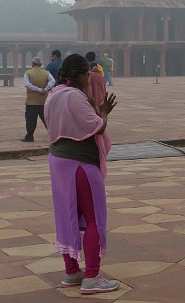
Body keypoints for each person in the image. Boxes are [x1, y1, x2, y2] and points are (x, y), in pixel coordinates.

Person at [44, 54, 120, 295]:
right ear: (77, 75)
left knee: (67, 216)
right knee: (93, 218)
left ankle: (71, 272)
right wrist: (104, 112)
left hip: (58, 161)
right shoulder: (74, 97)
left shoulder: (53, 95)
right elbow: (96, 126)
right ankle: (92, 277)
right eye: (87, 73)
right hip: (81, 165)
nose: (90, 77)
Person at [21, 56, 55, 142]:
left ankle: (29, 136)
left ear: (32, 64)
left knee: (30, 119)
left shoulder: (28, 73)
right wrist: (46, 89)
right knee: (47, 119)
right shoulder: (46, 73)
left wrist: (37, 89)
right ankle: (53, 135)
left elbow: (27, 84)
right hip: (44, 100)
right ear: (40, 64)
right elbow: (52, 81)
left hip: (31, 101)